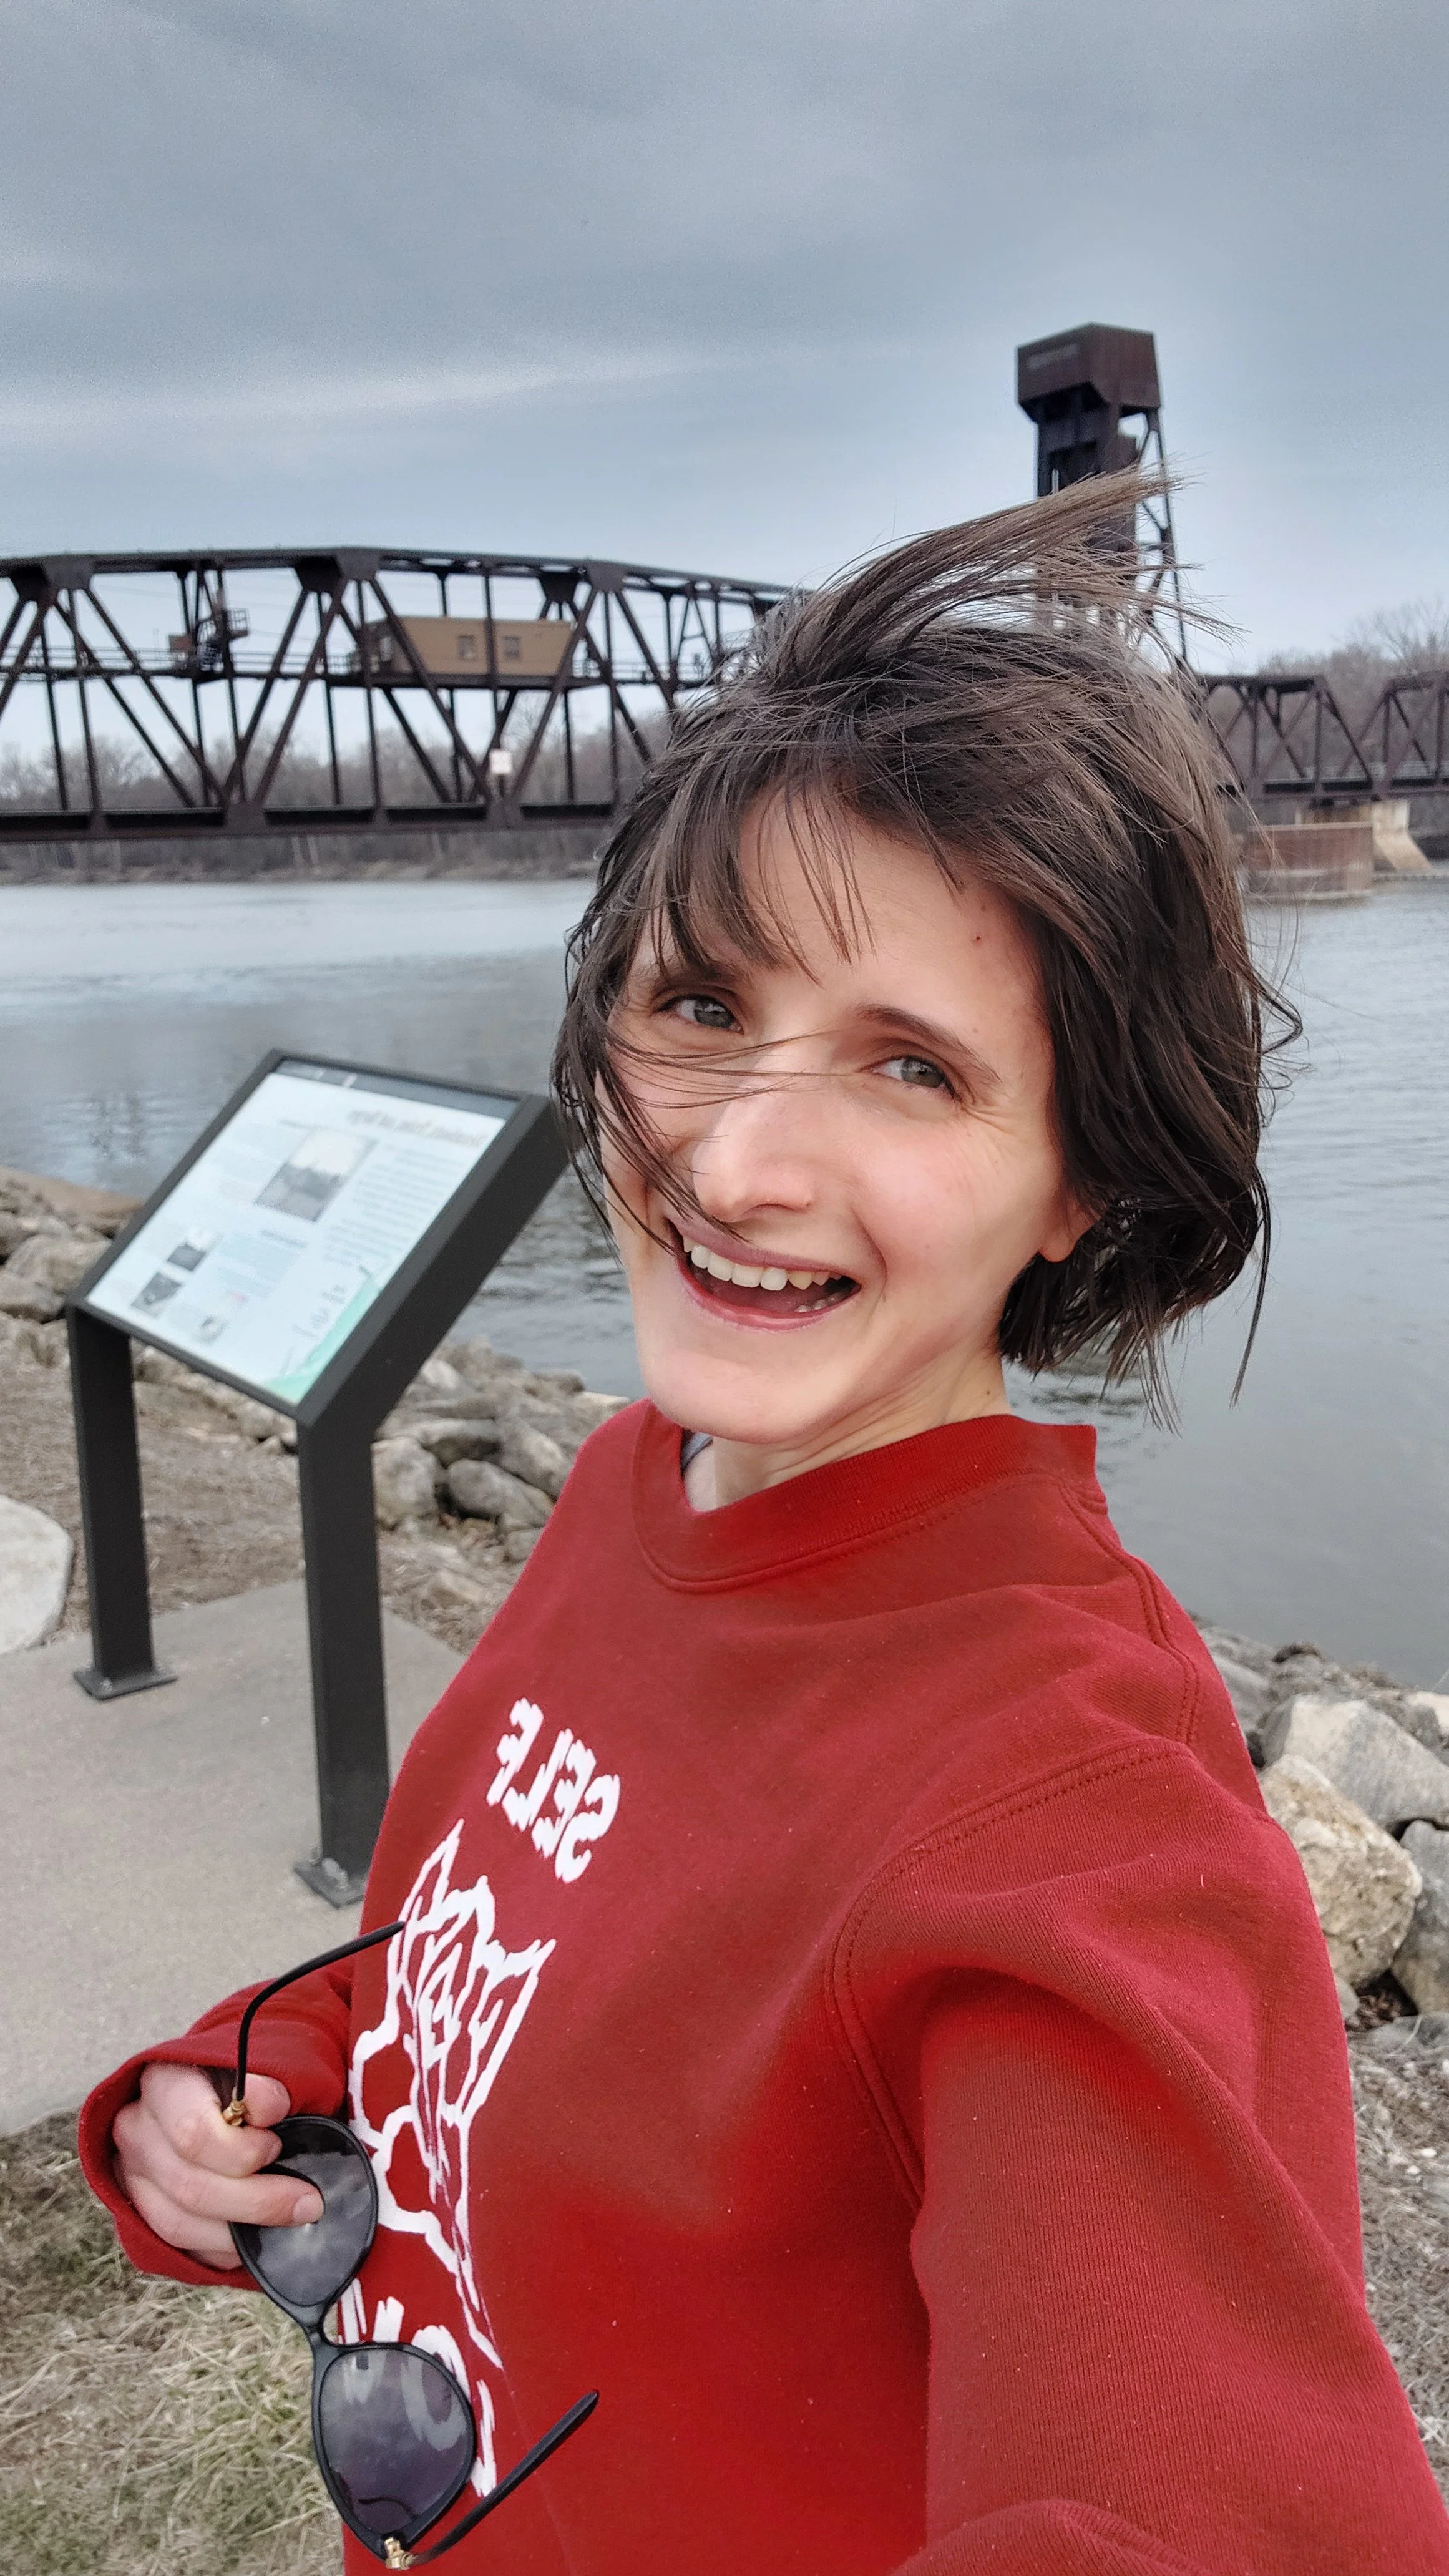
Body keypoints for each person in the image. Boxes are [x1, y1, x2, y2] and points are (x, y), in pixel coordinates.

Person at [80, 476, 1449, 2573]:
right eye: (701, 1009)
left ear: (1084, 1180)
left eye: (913, 1069)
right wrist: (235, 2086)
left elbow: (1180, 2508)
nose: (736, 1165)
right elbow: (492, 1946)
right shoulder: (647, 1477)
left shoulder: (1069, 1813)